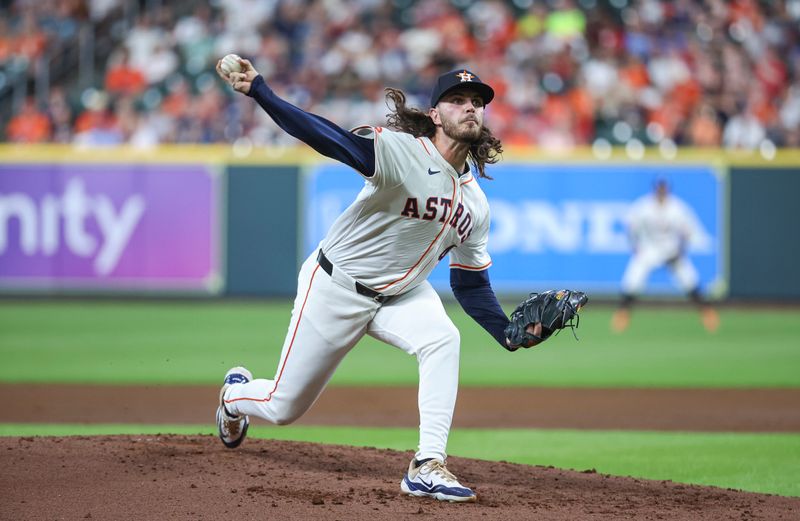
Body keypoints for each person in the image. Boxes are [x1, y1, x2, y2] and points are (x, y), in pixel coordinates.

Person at [214, 57, 546, 503]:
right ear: (435, 115)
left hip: (403, 293)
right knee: (283, 406)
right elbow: (327, 137)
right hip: (337, 285)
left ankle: (427, 464)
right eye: (456, 100)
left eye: (476, 102)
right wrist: (262, 92)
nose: (469, 107)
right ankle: (234, 397)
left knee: (443, 340)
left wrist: (507, 333)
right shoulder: (402, 152)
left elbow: (469, 284)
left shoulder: (476, 203)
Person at [611, 179, 719, 333]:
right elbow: (630, 226)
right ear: (655, 190)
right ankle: (622, 314)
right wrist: (635, 246)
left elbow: (688, 232)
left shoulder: (677, 207)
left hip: (671, 249)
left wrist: (681, 249)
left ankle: (707, 312)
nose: (661, 191)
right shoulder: (644, 206)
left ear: (667, 190)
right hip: (650, 249)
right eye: (659, 189)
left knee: (689, 279)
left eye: (664, 189)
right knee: (633, 278)